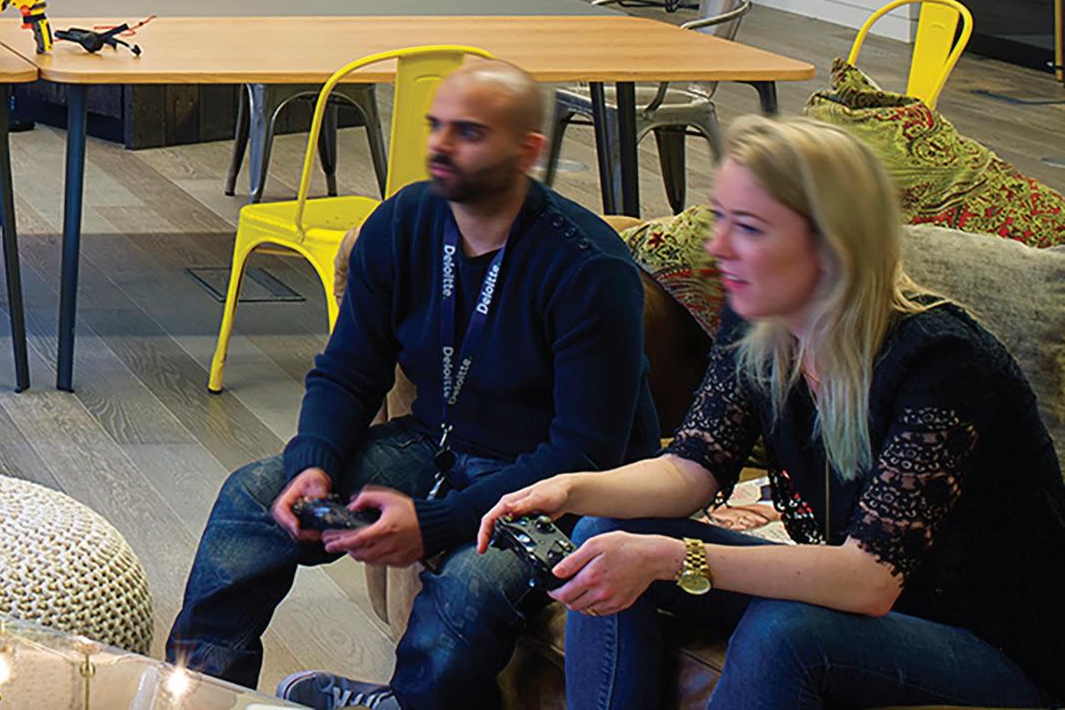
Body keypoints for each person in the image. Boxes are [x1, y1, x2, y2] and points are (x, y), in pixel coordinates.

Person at [476, 116, 1065, 710]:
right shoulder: (762, 321)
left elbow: (869, 580)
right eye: (722, 218)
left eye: (750, 227)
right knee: (604, 532)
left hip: (999, 643)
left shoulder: (943, 364)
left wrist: (671, 557)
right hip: (882, 601)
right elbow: (691, 470)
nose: (718, 246)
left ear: (832, 244)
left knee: (785, 633)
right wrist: (570, 489)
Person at [167, 60, 658, 710]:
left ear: (527, 151)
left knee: (470, 587)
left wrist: (434, 522)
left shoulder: (588, 267)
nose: (440, 145)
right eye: (435, 125)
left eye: (469, 131)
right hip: (438, 441)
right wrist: (313, 461)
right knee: (253, 498)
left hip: (552, 486)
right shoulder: (405, 222)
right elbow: (349, 368)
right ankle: (198, 695)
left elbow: (584, 452)